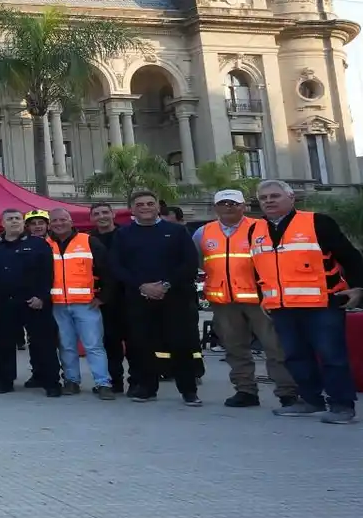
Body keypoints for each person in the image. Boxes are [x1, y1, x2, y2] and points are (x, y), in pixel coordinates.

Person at [251, 179, 363, 424]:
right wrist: (263, 298)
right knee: (294, 356)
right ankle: (310, 401)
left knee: (332, 356)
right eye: (264, 198)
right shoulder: (255, 230)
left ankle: (342, 406)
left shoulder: (317, 223)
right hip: (282, 308)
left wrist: (358, 287)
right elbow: (259, 269)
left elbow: (351, 256)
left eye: (274, 196)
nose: (268, 201)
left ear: (291, 198)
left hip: (322, 304)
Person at [196, 190, 298, 409]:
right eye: (223, 203)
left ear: (244, 206)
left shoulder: (261, 227)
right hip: (224, 302)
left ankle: (287, 392)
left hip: (261, 300)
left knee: (275, 347)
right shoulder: (203, 232)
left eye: (234, 203)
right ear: (216, 208)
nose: (228, 207)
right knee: (235, 348)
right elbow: (198, 261)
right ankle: (245, 390)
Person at [110, 189, 203, 406]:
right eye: (139, 204)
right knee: (142, 345)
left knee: (181, 344)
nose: (145, 208)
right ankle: (147, 388)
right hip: (138, 298)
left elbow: (189, 263)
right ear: (132, 209)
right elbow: (117, 265)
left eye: (149, 203)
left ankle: (188, 390)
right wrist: (141, 286)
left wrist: (166, 285)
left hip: (174, 298)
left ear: (157, 207)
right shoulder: (123, 234)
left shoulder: (177, 231)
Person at [0, 209, 57, 395]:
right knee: (2, 344)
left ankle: (51, 382)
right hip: (3, 302)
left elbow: (48, 273)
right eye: (10, 219)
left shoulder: (38, 244)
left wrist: (41, 296)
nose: (14, 221)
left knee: (43, 343)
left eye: (17, 218)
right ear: (3, 222)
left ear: (23, 222)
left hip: (32, 301)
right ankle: (4, 381)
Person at [47, 207, 115, 399]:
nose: (59, 224)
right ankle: (71, 381)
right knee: (66, 346)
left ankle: (103, 383)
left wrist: (103, 297)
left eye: (63, 220)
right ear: (50, 224)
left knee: (93, 345)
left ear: (71, 221)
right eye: (55, 221)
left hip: (86, 304)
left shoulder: (89, 241)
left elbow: (108, 271)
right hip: (58, 304)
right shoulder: (46, 244)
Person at [89, 202, 127, 393]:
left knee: (135, 341)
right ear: (91, 218)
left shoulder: (126, 235)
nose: (101, 216)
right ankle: (115, 381)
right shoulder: (88, 240)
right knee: (110, 342)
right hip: (104, 299)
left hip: (128, 296)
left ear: (113, 214)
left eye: (105, 212)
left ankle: (139, 381)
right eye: (97, 214)